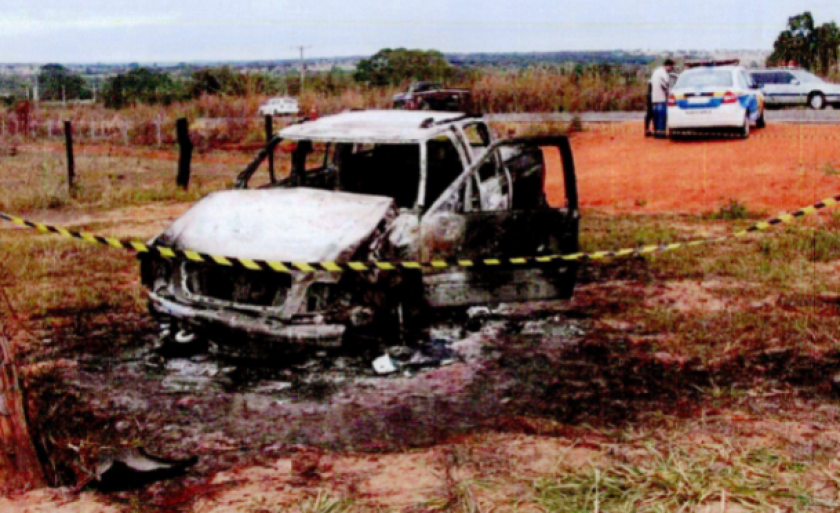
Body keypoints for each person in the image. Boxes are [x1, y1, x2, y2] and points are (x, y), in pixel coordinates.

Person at [650, 59, 675, 139]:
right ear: (668, 65)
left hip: (654, 98)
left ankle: (656, 132)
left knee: (656, 117)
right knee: (662, 117)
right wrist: (668, 93)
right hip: (661, 98)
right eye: (671, 67)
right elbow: (664, 85)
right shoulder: (663, 74)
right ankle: (661, 133)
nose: (671, 69)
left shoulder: (656, 72)